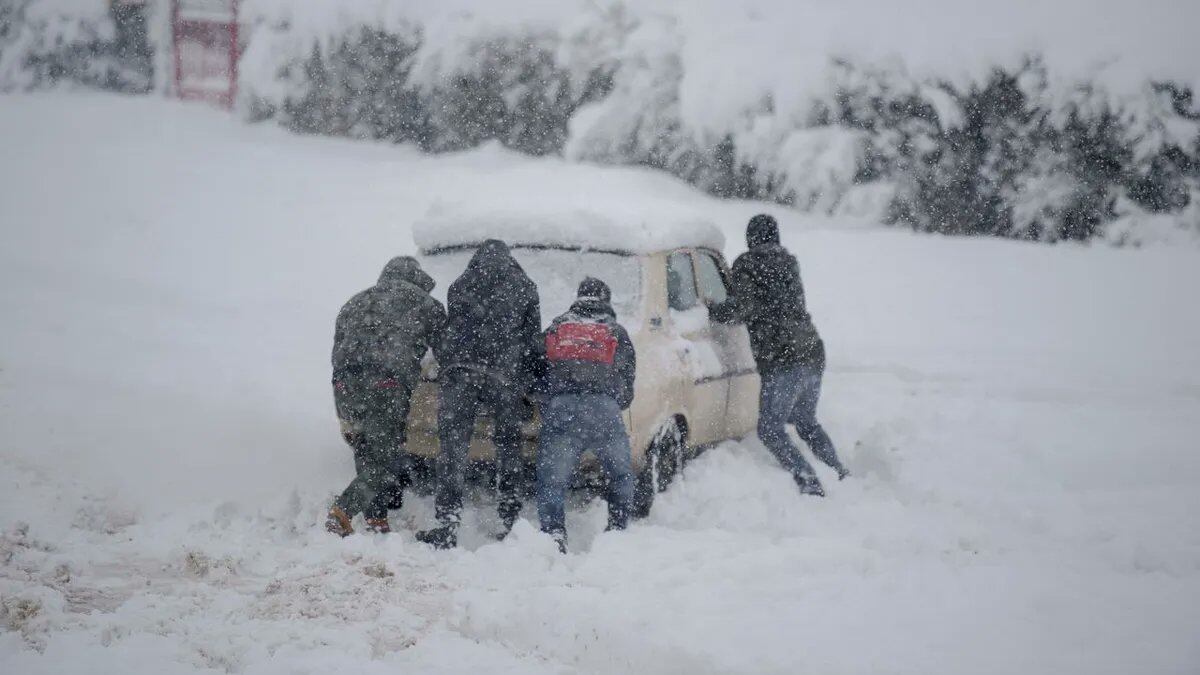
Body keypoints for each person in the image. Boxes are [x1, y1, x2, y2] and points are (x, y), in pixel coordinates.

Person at [709, 214, 847, 496]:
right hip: (812, 350)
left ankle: (809, 482)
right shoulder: (789, 262)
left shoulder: (748, 265)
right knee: (806, 422)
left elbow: (741, 309)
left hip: (783, 357)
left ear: (751, 238)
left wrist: (711, 310)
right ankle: (840, 473)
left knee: (770, 430)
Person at [416, 240, 541, 549]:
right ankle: (510, 518)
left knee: (452, 449)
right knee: (509, 447)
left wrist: (451, 365)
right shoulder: (525, 285)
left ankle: (447, 523)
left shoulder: (460, 284)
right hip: (502, 376)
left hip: (460, 374)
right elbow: (532, 342)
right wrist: (526, 382)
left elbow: (451, 331)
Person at [325, 257, 446, 537]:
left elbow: (337, 348)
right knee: (387, 457)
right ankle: (343, 509)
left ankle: (376, 518)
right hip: (385, 383)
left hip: (344, 385)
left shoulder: (354, 301)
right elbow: (445, 350)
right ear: (417, 278)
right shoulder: (425, 304)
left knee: (365, 448)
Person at [533, 278, 637, 553]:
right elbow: (627, 385)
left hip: (562, 409)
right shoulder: (615, 331)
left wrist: (551, 401)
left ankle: (554, 536)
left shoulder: (557, 326)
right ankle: (618, 530)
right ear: (606, 300)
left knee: (552, 480)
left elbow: (536, 373)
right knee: (621, 475)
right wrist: (610, 401)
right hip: (604, 410)